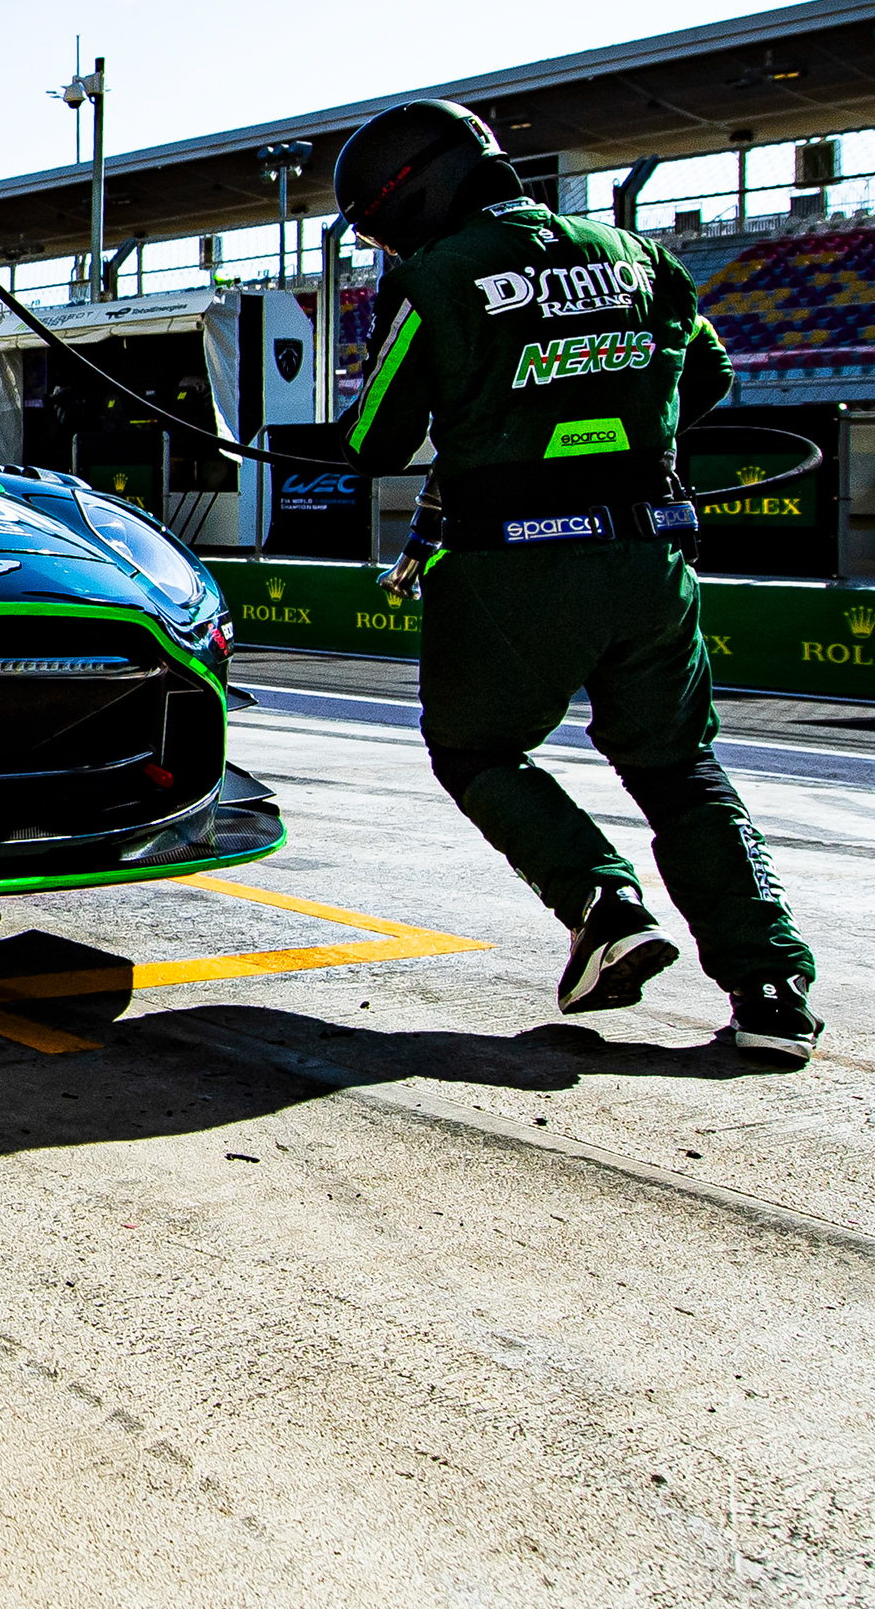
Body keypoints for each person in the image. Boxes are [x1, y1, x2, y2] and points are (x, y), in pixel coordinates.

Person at [332, 99, 818, 1063]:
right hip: (649, 554)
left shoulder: (440, 277)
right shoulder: (638, 255)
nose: (384, 247)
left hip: (513, 565)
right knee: (679, 767)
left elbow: (374, 439)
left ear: (408, 195)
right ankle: (770, 990)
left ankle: (601, 901)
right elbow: (709, 378)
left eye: (379, 229)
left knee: (476, 750)